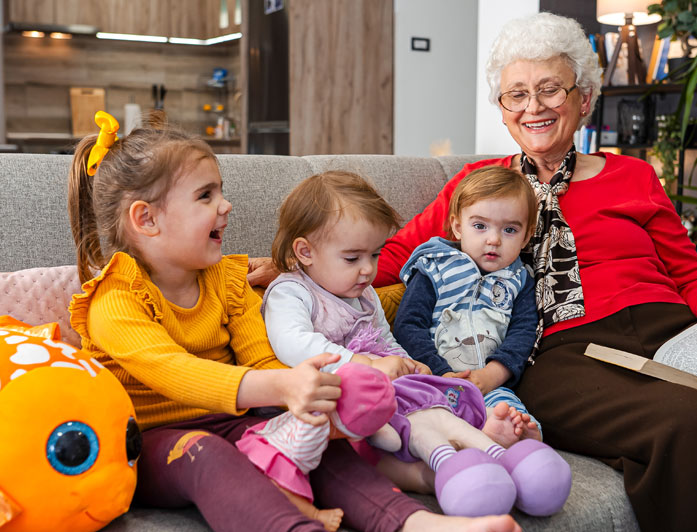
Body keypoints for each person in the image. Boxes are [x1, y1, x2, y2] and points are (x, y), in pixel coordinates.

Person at [372, 12, 697, 532]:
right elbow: (392, 255)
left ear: (584, 99)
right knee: (693, 426)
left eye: (550, 89)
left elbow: (688, 269)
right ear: (504, 110)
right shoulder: (481, 188)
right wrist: (290, 268)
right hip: (563, 351)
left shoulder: (633, 174)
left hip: (672, 332)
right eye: (517, 94)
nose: (534, 107)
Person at [66, 111, 523, 532]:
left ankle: (421, 524)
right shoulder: (115, 298)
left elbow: (262, 358)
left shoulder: (228, 281)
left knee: (324, 445)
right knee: (208, 456)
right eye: (206, 195)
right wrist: (284, 388)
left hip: (235, 419)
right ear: (146, 219)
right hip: (151, 445)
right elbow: (176, 372)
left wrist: (310, 401)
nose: (225, 205)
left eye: (221, 191)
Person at [262, 170, 571, 517]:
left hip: (384, 390)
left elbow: (386, 339)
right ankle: (433, 472)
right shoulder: (291, 292)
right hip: (333, 399)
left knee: (432, 405)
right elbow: (294, 343)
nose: (368, 271)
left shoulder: (363, 295)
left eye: (375, 256)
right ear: (305, 251)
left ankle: (490, 448)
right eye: (353, 258)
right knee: (377, 444)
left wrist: (410, 364)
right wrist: (363, 365)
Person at [394, 166, 542, 442]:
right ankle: (459, 442)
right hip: (432, 380)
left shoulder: (519, 280)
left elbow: (523, 334)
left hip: (489, 385)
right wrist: (440, 373)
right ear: (458, 226)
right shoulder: (434, 269)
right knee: (422, 416)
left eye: (510, 229)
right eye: (480, 226)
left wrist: (491, 376)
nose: (493, 239)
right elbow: (407, 325)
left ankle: (518, 436)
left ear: (526, 236)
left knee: (506, 409)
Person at [236, 362, 397, 531]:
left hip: (263, 439)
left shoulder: (312, 400)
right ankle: (314, 515)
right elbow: (297, 458)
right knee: (286, 490)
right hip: (275, 458)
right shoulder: (317, 428)